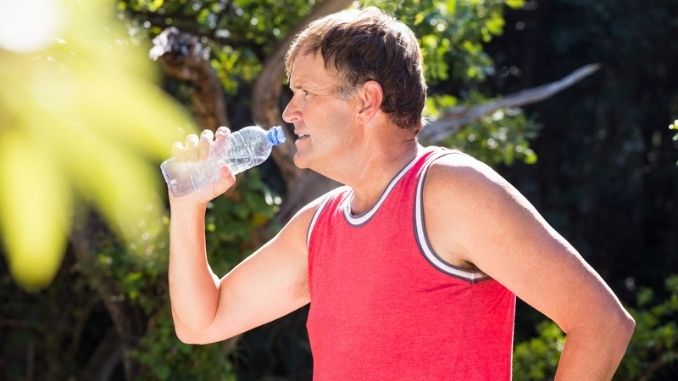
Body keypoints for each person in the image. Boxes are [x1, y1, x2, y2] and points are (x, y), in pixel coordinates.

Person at [167, 7, 634, 380]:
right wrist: (189, 207)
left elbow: (602, 325)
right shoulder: (318, 226)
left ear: (366, 100)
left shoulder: (450, 190)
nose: (290, 111)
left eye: (307, 92)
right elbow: (200, 323)